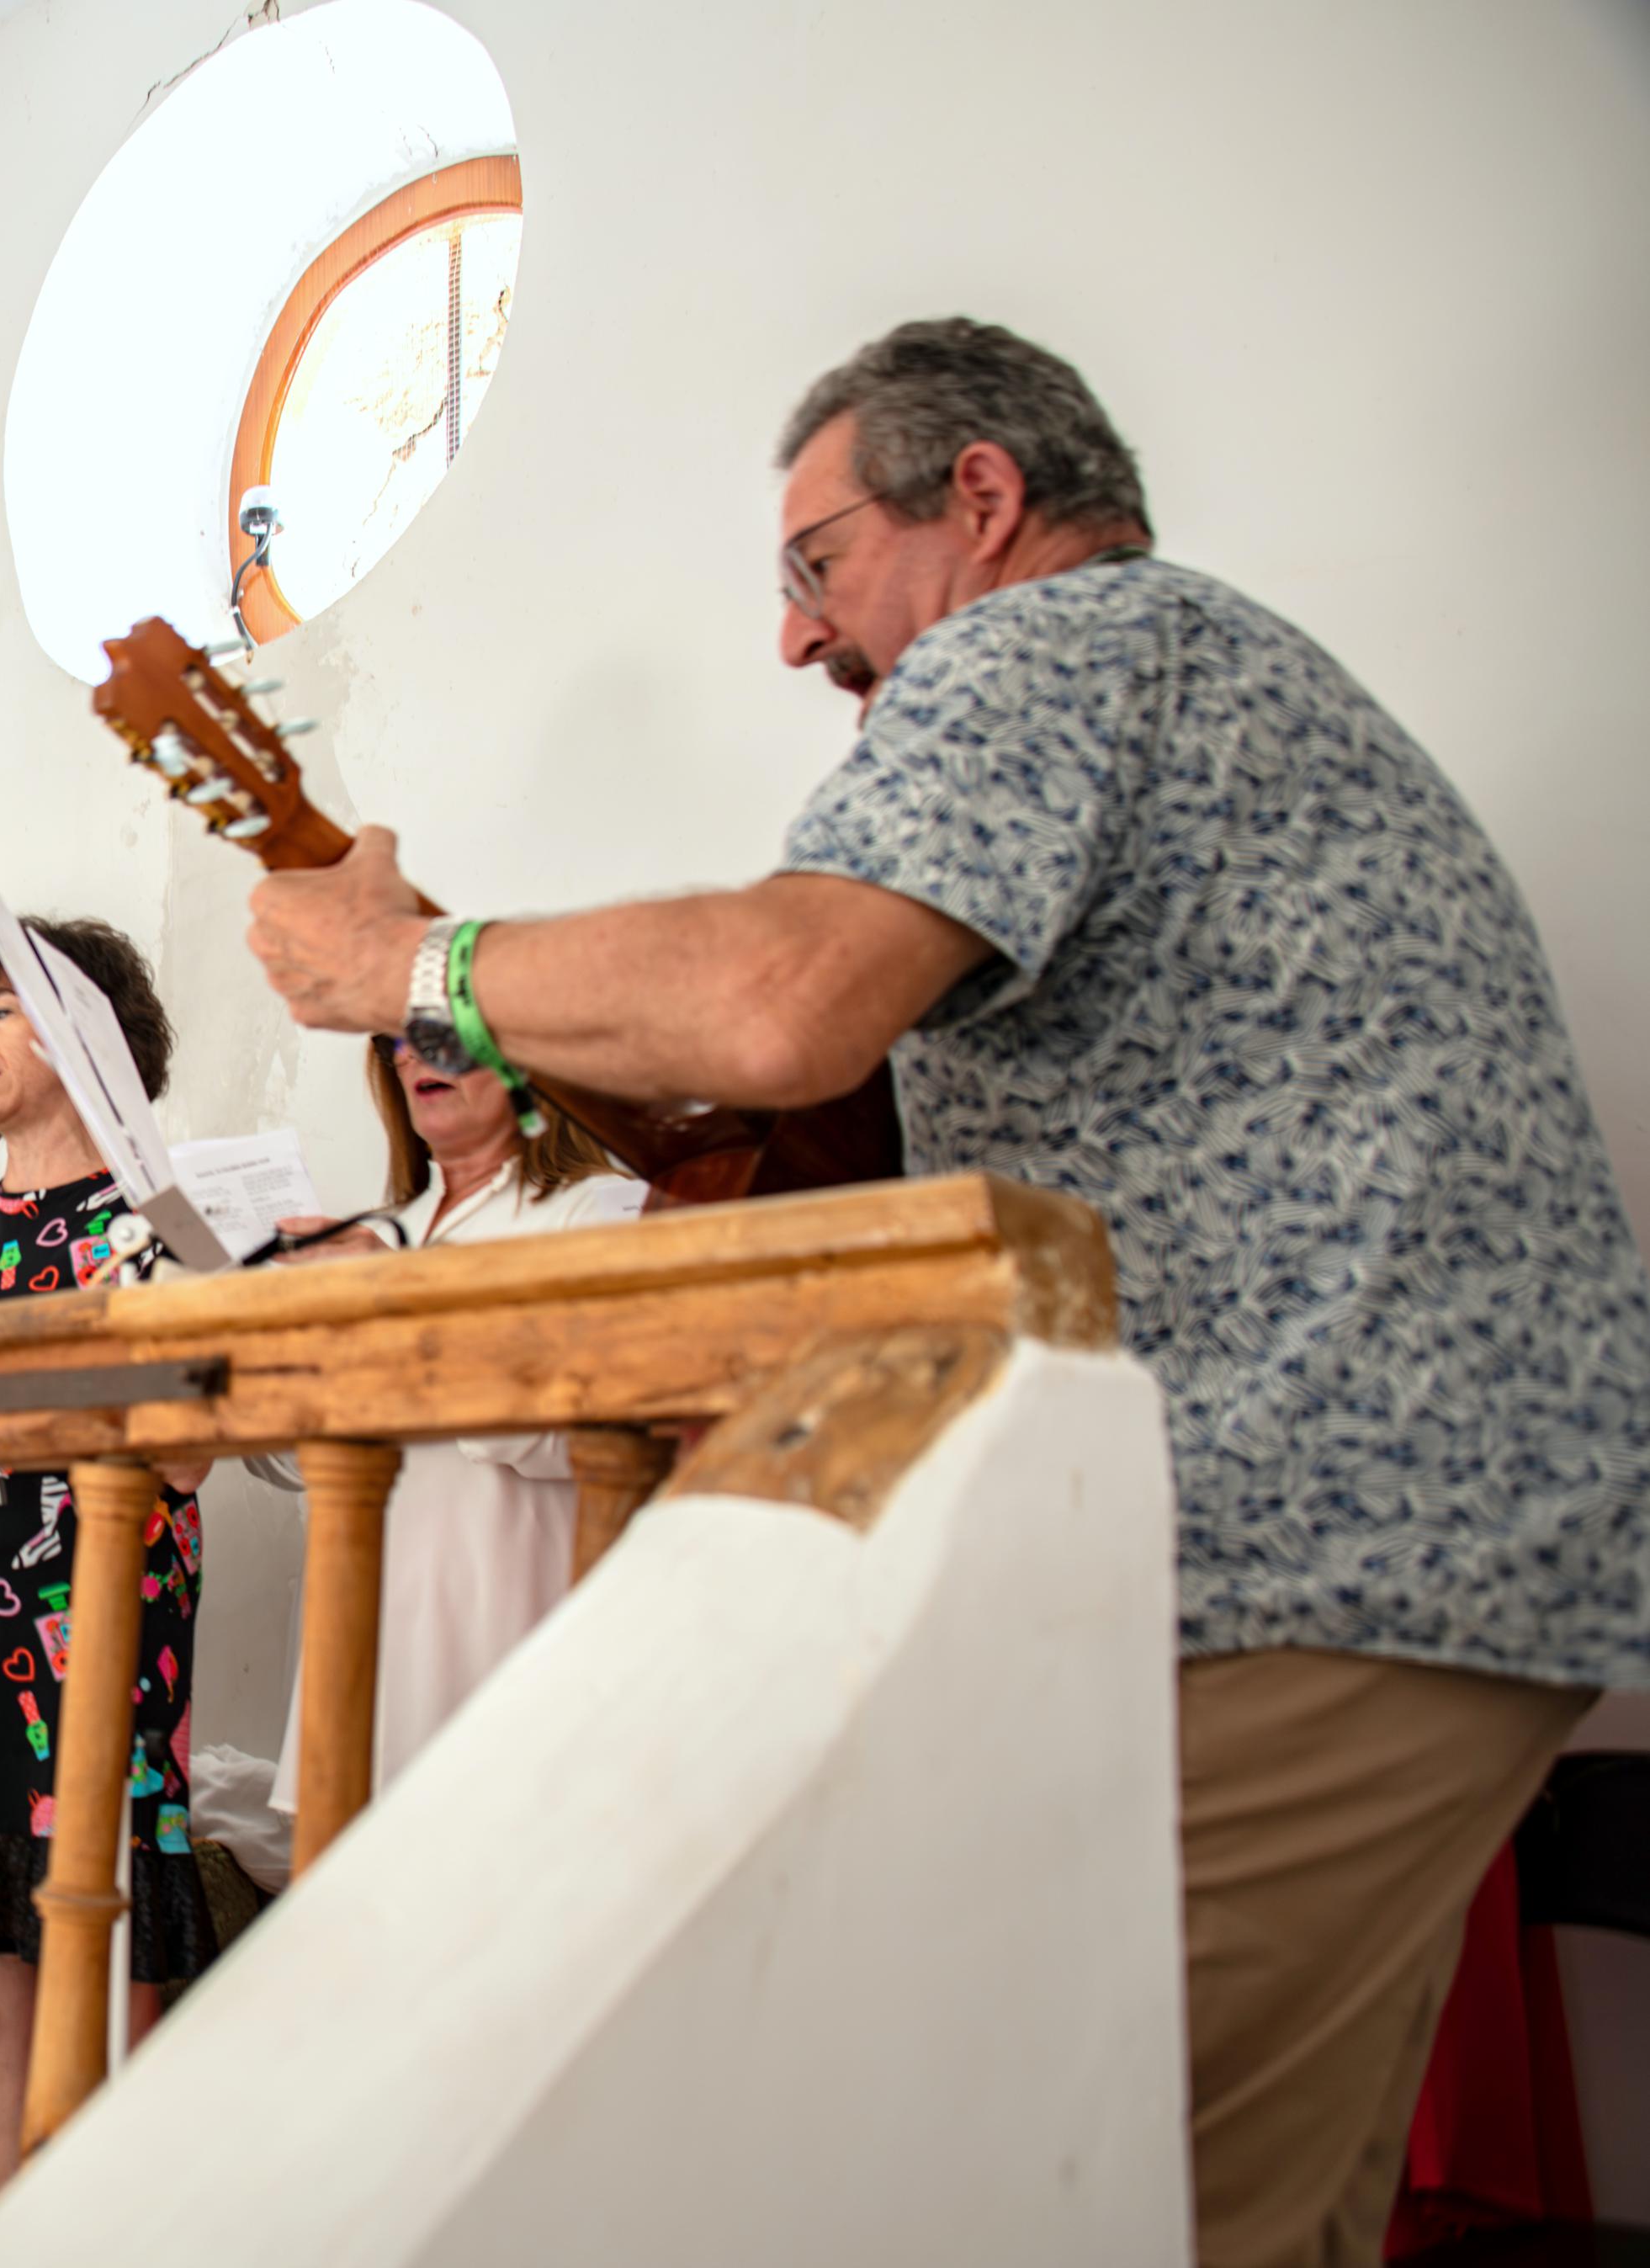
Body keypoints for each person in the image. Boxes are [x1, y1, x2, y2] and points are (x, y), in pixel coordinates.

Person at [240, 316, 1650, 2268]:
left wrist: (409, 967)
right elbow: (800, 1097)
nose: (796, 638)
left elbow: (778, 995)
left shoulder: (1049, 644)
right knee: (1220, 2215)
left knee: (1005, 2189)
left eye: (812, 565)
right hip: (1424, 1538)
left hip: (1314, 1542)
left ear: (975, 500)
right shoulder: (1195, 676)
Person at [0, 920, 214, 2198]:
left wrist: (16, 1344)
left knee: (109, 1993)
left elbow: (192, 1453)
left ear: (89, 1028)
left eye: (1, 1007)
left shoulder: (164, 1211)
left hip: (101, 1636)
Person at [265, 1044, 645, 1809]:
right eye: (392, 1039)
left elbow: (609, 1417)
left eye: (441, 1027)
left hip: (514, 1638)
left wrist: (404, 1308)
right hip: (369, 1651)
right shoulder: (381, 1229)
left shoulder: (604, 1207)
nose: (413, 1055)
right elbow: (301, 1462)